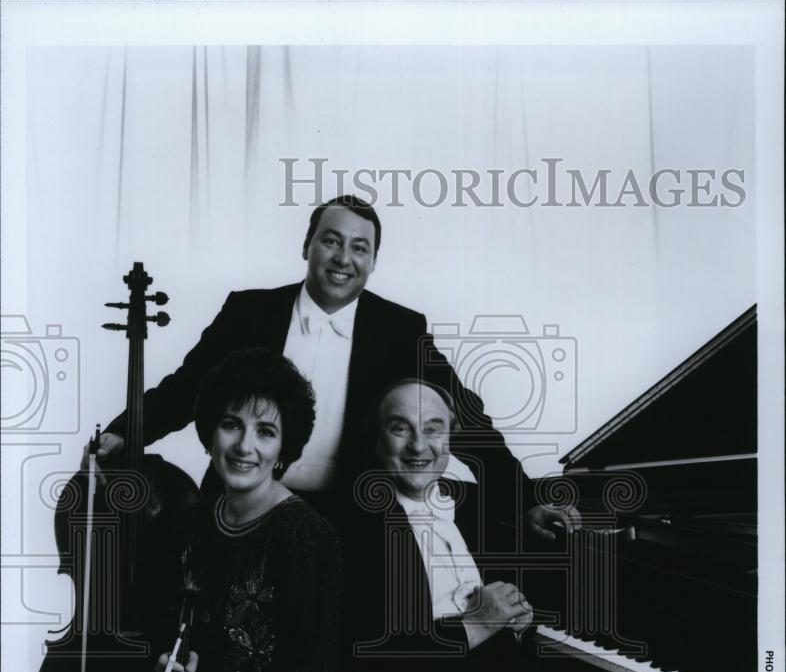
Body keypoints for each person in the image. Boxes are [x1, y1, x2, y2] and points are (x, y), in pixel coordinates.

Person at [89, 195, 574, 540]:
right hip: (241, 508)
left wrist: (525, 498)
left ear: (374, 261)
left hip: (350, 519)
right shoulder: (249, 311)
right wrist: (125, 433)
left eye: (359, 248)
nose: (343, 258)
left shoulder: (399, 328)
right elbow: (186, 388)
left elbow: (464, 418)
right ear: (307, 247)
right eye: (331, 242)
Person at [33, 349, 342, 672]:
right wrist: (162, 669)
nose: (244, 446)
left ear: (283, 449)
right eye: (231, 424)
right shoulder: (189, 523)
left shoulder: (309, 535)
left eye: (266, 432)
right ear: (209, 432)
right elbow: (161, 628)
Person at [335, 380, 601, 672]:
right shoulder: (354, 526)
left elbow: (495, 583)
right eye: (400, 428)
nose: (418, 446)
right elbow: (366, 657)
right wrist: (476, 624)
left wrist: (513, 612)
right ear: (375, 439)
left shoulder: (469, 503)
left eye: (433, 429)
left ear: (451, 438)